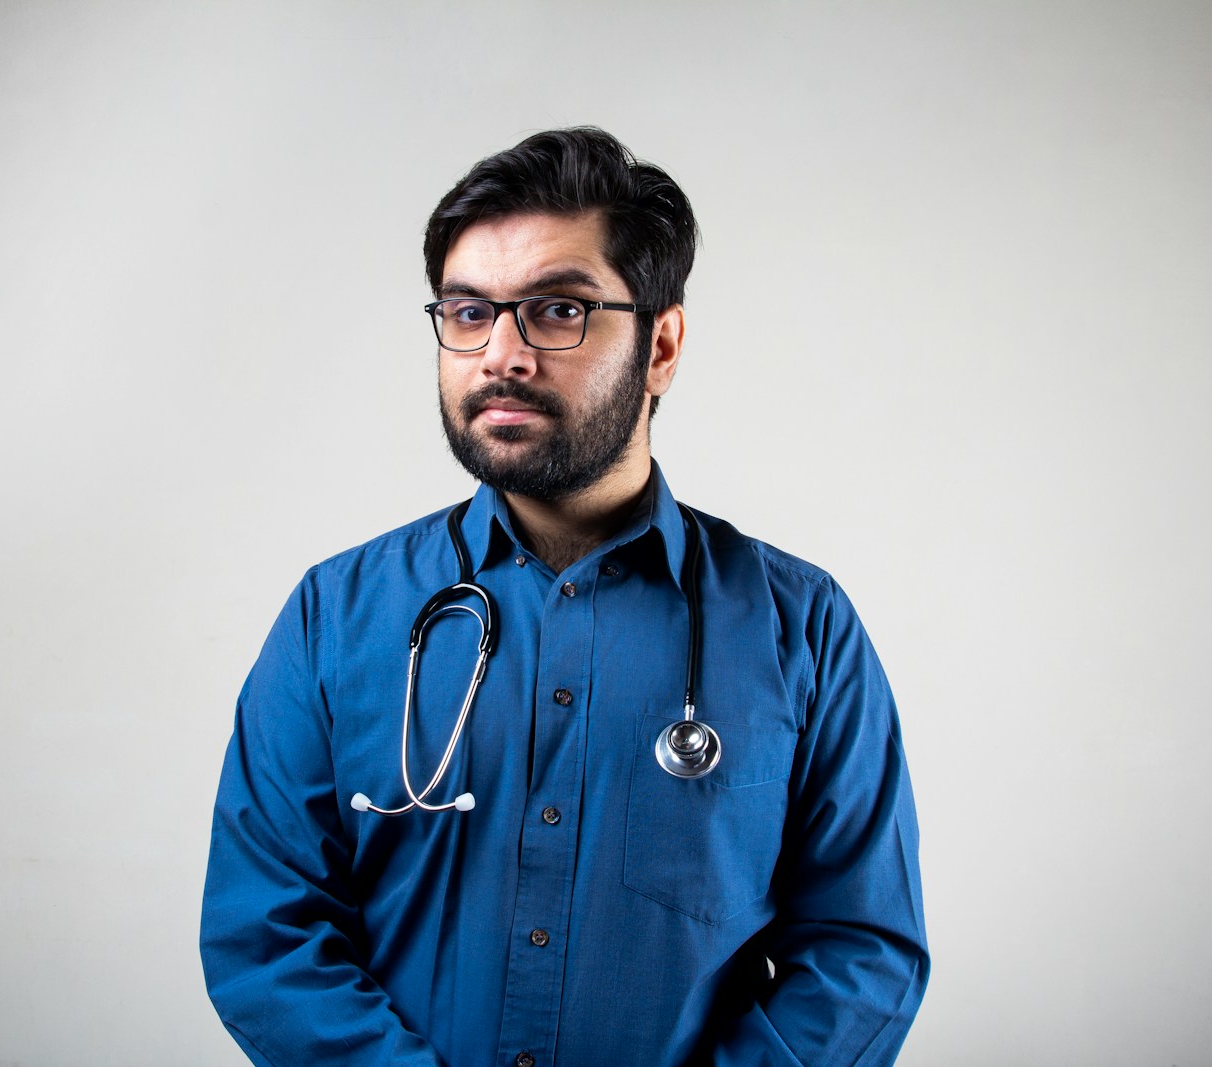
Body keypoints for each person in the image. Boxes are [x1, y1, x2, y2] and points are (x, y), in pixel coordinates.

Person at [200, 127, 928, 1067]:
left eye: (557, 310)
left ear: (661, 346)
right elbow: (268, 938)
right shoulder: (334, 618)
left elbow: (863, 951)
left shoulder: (801, 627)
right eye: (468, 313)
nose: (501, 353)